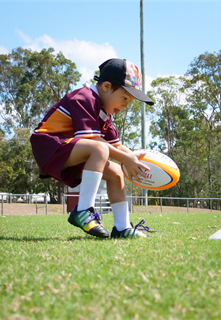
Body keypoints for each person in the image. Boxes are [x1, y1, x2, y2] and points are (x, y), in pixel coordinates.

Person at [31, 58, 155, 238]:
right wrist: (125, 159)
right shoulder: (84, 97)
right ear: (106, 87)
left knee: (116, 173)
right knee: (100, 149)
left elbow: (117, 146)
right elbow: (95, 142)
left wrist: (134, 157)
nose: (126, 105)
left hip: (70, 149)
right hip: (49, 145)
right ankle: (83, 210)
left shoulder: (105, 114)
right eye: (125, 98)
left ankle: (122, 227)